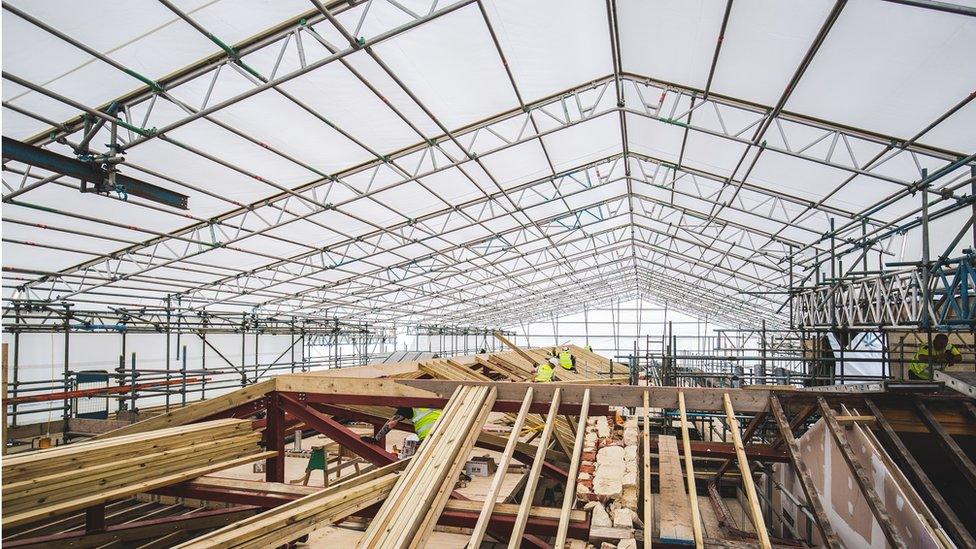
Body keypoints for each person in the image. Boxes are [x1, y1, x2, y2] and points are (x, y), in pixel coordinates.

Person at [361, 406, 441, 445]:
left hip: (428, 438)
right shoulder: (433, 402)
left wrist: (376, 439)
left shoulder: (407, 407)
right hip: (446, 431)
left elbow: (390, 424)